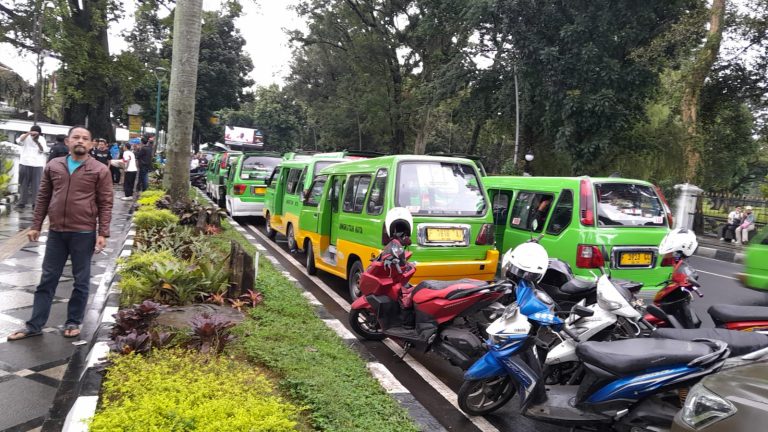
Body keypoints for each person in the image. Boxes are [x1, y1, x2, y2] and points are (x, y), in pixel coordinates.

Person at [7, 125, 113, 340]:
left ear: (91, 144)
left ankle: (73, 321)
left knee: (81, 280)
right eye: (76, 137)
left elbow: (105, 203)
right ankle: (34, 325)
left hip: (83, 232)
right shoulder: (54, 165)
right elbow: (43, 197)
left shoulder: (100, 169)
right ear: (68, 142)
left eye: (85, 138)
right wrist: (36, 225)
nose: (80, 141)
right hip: (56, 232)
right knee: (47, 279)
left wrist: (103, 233)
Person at [14, 125, 48, 210]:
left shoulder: (42, 139)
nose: (33, 134)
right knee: (23, 184)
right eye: (32, 132)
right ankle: (22, 202)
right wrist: (28, 133)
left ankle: (35, 203)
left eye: (35, 133)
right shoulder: (25, 136)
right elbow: (19, 141)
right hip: (24, 163)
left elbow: (43, 150)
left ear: (39, 133)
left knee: (36, 185)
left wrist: (37, 141)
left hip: (37, 164)